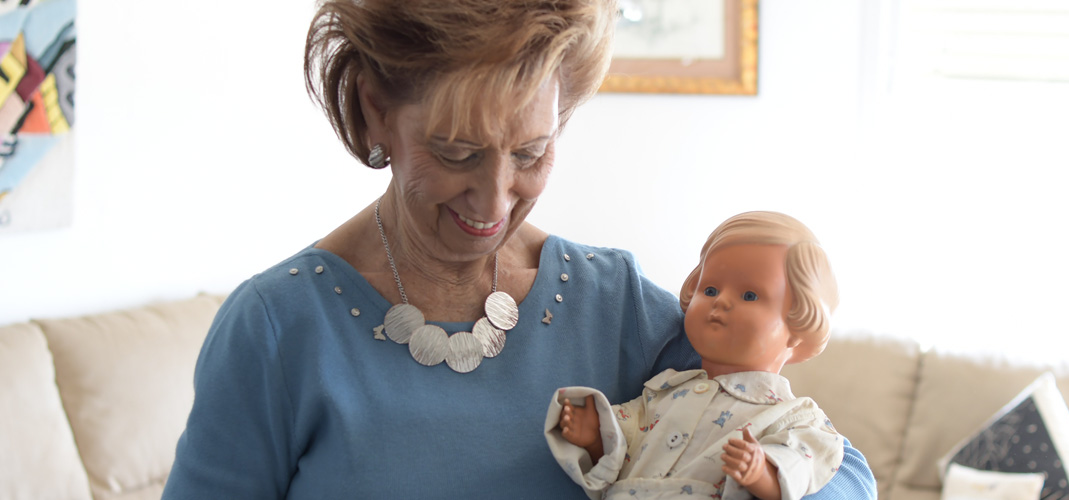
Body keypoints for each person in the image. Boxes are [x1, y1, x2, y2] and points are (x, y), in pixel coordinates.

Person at [162, 1, 876, 498]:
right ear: (379, 109)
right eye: (457, 151)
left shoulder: (614, 303)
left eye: (531, 151)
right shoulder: (277, 328)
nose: (495, 199)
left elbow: (844, 473)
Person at [548, 212, 845, 500]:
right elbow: (627, 447)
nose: (722, 301)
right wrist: (595, 438)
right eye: (711, 289)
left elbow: (808, 461)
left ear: (798, 326)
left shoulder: (794, 417)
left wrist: (763, 474)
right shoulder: (661, 394)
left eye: (749, 296)